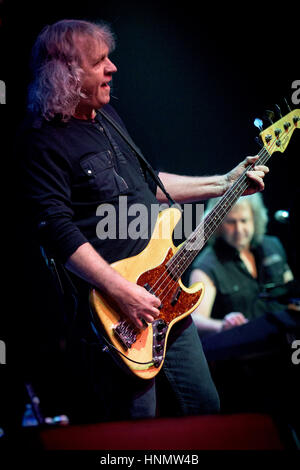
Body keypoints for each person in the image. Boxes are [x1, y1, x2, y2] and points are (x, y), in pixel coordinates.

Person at [17, 19, 269, 425]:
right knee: (137, 424)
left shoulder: (108, 115)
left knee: (204, 407)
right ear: (67, 73)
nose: (113, 68)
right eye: (99, 61)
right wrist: (124, 293)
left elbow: (147, 184)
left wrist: (225, 183)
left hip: (164, 290)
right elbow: (56, 232)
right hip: (115, 309)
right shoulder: (41, 138)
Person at [189, 193, 295, 336]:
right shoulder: (206, 266)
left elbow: (291, 293)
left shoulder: (273, 245)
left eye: (244, 220)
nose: (239, 230)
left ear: (255, 219)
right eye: (231, 222)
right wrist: (223, 324)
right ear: (217, 224)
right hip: (244, 351)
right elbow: (195, 319)